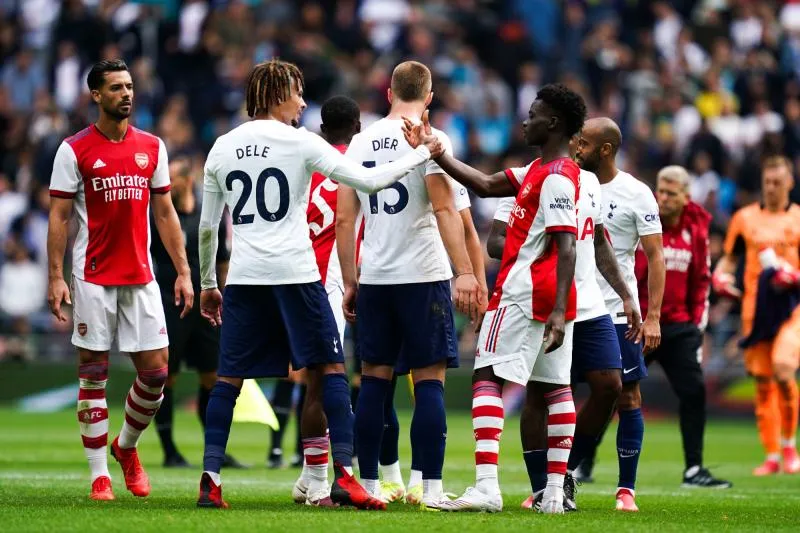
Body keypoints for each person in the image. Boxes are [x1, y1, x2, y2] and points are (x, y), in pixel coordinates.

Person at [195, 59, 442, 509]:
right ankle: (344, 476)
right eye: (297, 92)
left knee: (228, 378)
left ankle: (210, 481)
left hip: (246, 277)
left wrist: (210, 283)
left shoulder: (221, 147)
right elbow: (368, 179)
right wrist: (426, 151)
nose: (304, 102)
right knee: (330, 370)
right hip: (297, 272)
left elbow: (209, 228)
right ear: (275, 97)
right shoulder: (301, 142)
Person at [403, 83, 587, 514]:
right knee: (556, 387)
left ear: (554, 122)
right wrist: (436, 151)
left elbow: (568, 245)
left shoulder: (556, 178)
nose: (526, 121)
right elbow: (484, 184)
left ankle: (487, 486)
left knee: (486, 376)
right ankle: (554, 495)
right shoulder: (541, 171)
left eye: (534, 114)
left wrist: (558, 310)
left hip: (524, 292)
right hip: (549, 297)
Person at [336, 60, 482, 510]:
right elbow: (443, 211)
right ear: (430, 96)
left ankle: (372, 486)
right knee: (430, 383)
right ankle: (432, 489)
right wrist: (464, 272)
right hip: (423, 276)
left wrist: (350, 281)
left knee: (375, 383)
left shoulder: (359, 142)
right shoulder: (433, 141)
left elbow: (345, 218)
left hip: (376, 277)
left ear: (388, 93)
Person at [47, 59, 193, 501]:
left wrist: (184, 271)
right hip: (91, 274)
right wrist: (56, 277)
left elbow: (166, 212)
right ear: (95, 95)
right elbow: (59, 216)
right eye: (115, 87)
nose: (126, 94)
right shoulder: (74, 150)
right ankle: (99, 477)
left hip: (141, 273)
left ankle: (125, 447)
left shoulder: (152, 145)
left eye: (129, 86)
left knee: (157, 373)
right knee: (93, 374)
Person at [485, 133, 642, 512]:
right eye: (580, 141)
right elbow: (495, 242)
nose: (582, 147)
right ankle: (542, 487)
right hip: (544, 298)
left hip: (590, 303)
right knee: (541, 393)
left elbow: (600, 239)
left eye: (587, 141)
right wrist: (540, 241)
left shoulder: (589, 183)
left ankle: (566, 471)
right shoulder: (529, 177)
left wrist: (625, 293)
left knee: (609, 386)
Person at [570, 117, 665, 512]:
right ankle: (559, 477)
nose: (576, 148)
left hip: (615, 313)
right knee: (557, 394)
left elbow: (656, 257)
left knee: (628, 396)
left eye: (585, 142)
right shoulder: (568, 182)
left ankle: (626, 489)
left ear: (606, 149)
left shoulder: (636, 193)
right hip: (571, 306)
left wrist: (654, 315)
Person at [270, 96, 362, 472]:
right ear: (358, 128)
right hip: (333, 283)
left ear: (322, 129)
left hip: (294, 278)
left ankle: (308, 473)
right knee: (328, 380)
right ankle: (321, 474)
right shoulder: (356, 165)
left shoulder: (303, 164)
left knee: (312, 380)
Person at [631, 166, 732, 488]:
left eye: (671, 193)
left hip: (679, 327)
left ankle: (693, 469)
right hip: (640, 324)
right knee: (612, 390)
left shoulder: (697, 226)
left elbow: (702, 278)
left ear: (686, 196)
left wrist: (696, 327)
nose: (663, 198)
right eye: (661, 190)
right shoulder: (642, 219)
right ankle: (582, 464)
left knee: (694, 392)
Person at [150, 155, 244, 469]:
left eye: (171, 177)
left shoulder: (209, 218)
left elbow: (222, 262)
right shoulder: (160, 217)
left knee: (213, 377)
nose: (164, 183)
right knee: (168, 378)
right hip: (169, 304)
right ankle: (169, 451)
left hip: (205, 308)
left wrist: (226, 295)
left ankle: (214, 449)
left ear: (186, 180)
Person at [713, 155, 800, 476]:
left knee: (783, 368)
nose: (773, 189)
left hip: (792, 310)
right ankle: (772, 455)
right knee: (763, 383)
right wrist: (720, 277)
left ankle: (790, 445)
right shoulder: (745, 219)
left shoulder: (799, 219)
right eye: (768, 183)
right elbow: (729, 261)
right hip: (755, 310)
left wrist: (794, 277)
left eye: (779, 182)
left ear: (790, 183)